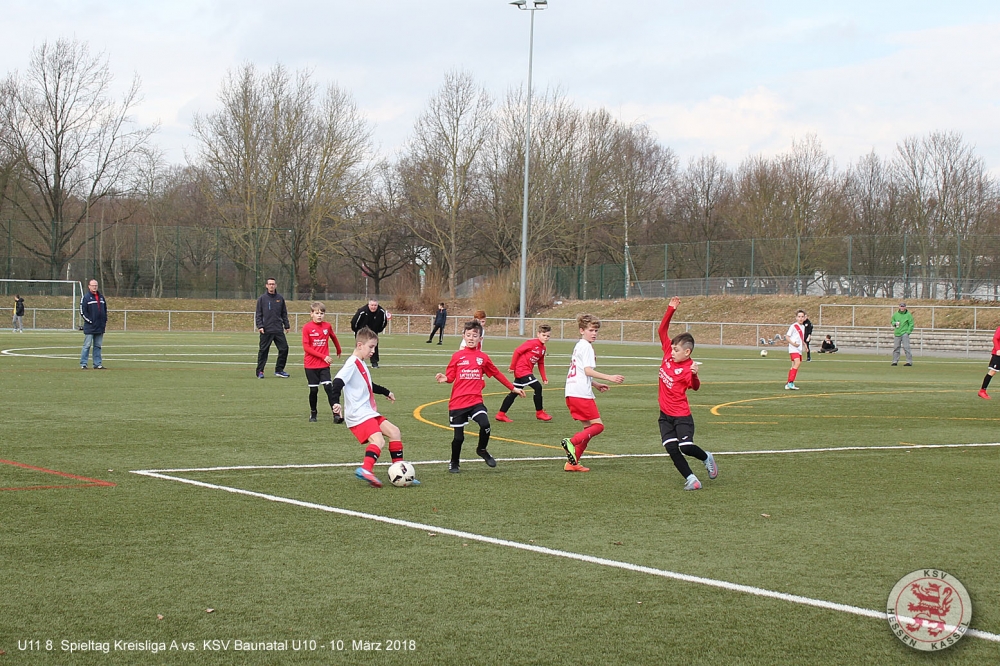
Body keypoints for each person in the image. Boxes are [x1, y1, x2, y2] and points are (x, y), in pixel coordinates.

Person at [436, 320, 524, 473]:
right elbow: (450, 376)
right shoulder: (457, 356)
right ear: (463, 336)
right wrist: (445, 378)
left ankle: (482, 449)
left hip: (475, 401)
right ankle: (454, 462)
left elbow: (496, 373)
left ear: (480, 338)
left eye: (474, 335)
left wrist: (513, 388)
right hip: (457, 403)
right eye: (468, 335)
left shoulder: (483, 358)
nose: (471, 338)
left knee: (485, 424)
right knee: (458, 438)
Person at [330, 327, 412, 488]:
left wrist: (386, 392)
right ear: (360, 345)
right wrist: (335, 402)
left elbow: (369, 384)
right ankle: (366, 469)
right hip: (358, 414)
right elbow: (337, 382)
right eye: (371, 347)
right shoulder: (352, 363)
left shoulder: (360, 362)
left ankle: (400, 470)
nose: (373, 351)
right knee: (378, 440)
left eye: (375, 347)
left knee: (394, 432)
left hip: (367, 412)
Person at [656, 297, 717, 490]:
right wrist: (671, 309)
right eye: (672, 348)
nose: (672, 352)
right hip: (665, 416)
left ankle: (706, 457)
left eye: (676, 350)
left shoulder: (689, 368)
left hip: (681, 416)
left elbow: (695, 387)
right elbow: (662, 330)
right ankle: (691, 479)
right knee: (671, 448)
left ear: (687, 352)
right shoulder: (668, 354)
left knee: (686, 447)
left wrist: (695, 375)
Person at [561, 314, 625, 472]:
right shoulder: (587, 347)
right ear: (582, 330)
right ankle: (571, 442)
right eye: (591, 330)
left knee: (588, 429)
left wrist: (595, 384)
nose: (594, 333)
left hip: (572, 391)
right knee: (598, 426)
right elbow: (587, 370)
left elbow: (580, 371)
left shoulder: (579, 345)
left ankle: (572, 463)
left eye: (596, 330)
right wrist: (609, 377)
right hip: (581, 393)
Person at [496, 324, 552, 423]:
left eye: (548, 336)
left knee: (514, 392)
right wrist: (512, 367)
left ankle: (501, 414)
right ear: (538, 334)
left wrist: (544, 377)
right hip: (522, 370)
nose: (546, 338)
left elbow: (541, 363)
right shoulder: (531, 343)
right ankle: (539, 413)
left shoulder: (543, 349)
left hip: (526, 371)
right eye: (544, 335)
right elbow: (517, 351)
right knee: (538, 387)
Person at [302, 302, 343, 422]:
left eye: (322, 313)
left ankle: (336, 414)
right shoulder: (307, 328)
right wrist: (323, 356)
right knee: (314, 390)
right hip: (310, 365)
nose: (319, 315)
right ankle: (313, 413)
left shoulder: (327, 326)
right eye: (317, 313)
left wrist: (338, 349)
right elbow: (306, 347)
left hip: (324, 365)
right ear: (311, 314)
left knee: (329, 388)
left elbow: (333, 337)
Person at [255, 278, 291, 378]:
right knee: (263, 351)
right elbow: (258, 314)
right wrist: (260, 326)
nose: (271, 286)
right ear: (266, 286)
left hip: (278, 329)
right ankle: (260, 371)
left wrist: (286, 325)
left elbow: (284, 313)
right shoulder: (262, 299)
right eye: (270, 284)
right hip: (266, 330)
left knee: (284, 349)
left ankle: (279, 370)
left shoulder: (280, 298)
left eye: (273, 284)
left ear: (276, 285)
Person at [351, 299, 388, 368]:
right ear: (368, 305)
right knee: (360, 346)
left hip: (373, 331)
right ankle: (357, 361)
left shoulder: (381, 312)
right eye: (372, 305)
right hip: (362, 332)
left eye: (375, 305)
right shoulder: (362, 311)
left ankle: (374, 363)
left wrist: (379, 329)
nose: (373, 307)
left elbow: (384, 322)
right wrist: (357, 331)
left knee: (374, 346)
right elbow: (354, 322)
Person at [79, 279, 107, 369]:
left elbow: (105, 310)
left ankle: (97, 364)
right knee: (87, 346)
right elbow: (82, 312)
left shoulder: (101, 297)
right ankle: (83, 364)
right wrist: (90, 321)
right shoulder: (86, 298)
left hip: (100, 327)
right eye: (93, 285)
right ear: (89, 286)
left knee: (98, 346)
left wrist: (104, 321)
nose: (94, 287)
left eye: (96, 285)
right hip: (90, 326)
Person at [784, 310, 807, 390]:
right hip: (793, 348)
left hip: (799, 349)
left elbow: (800, 338)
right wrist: (793, 343)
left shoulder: (803, 327)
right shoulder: (793, 326)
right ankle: (790, 382)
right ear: (796, 318)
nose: (800, 318)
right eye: (799, 316)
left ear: (804, 318)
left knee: (793, 365)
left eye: (802, 317)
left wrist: (805, 345)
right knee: (797, 363)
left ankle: (788, 383)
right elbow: (787, 336)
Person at [977, 325, 1000, 399]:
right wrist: (998, 349)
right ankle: (982, 391)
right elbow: (995, 339)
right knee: (993, 371)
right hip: (998, 354)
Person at [891, 302, 914, 366]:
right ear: (899, 307)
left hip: (904, 333)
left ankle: (909, 361)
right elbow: (892, 321)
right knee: (896, 348)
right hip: (897, 333)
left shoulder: (908, 315)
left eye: (903, 306)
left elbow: (911, 324)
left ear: (905, 307)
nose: (902, 308)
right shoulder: (895, 314)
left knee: (906, 348)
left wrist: (908, 332)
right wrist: (894, 323)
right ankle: (895, 361)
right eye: (901, 306)